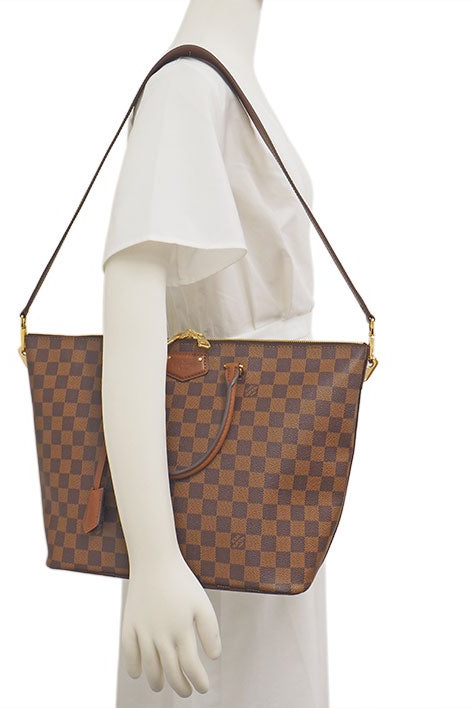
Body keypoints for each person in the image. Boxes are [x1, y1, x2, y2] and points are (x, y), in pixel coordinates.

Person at [101, 1, 329, 705]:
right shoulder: (186, 90)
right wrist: (155, 561)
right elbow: (131, 332)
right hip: (213, 494)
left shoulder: (226, 82)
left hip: (272, 482)